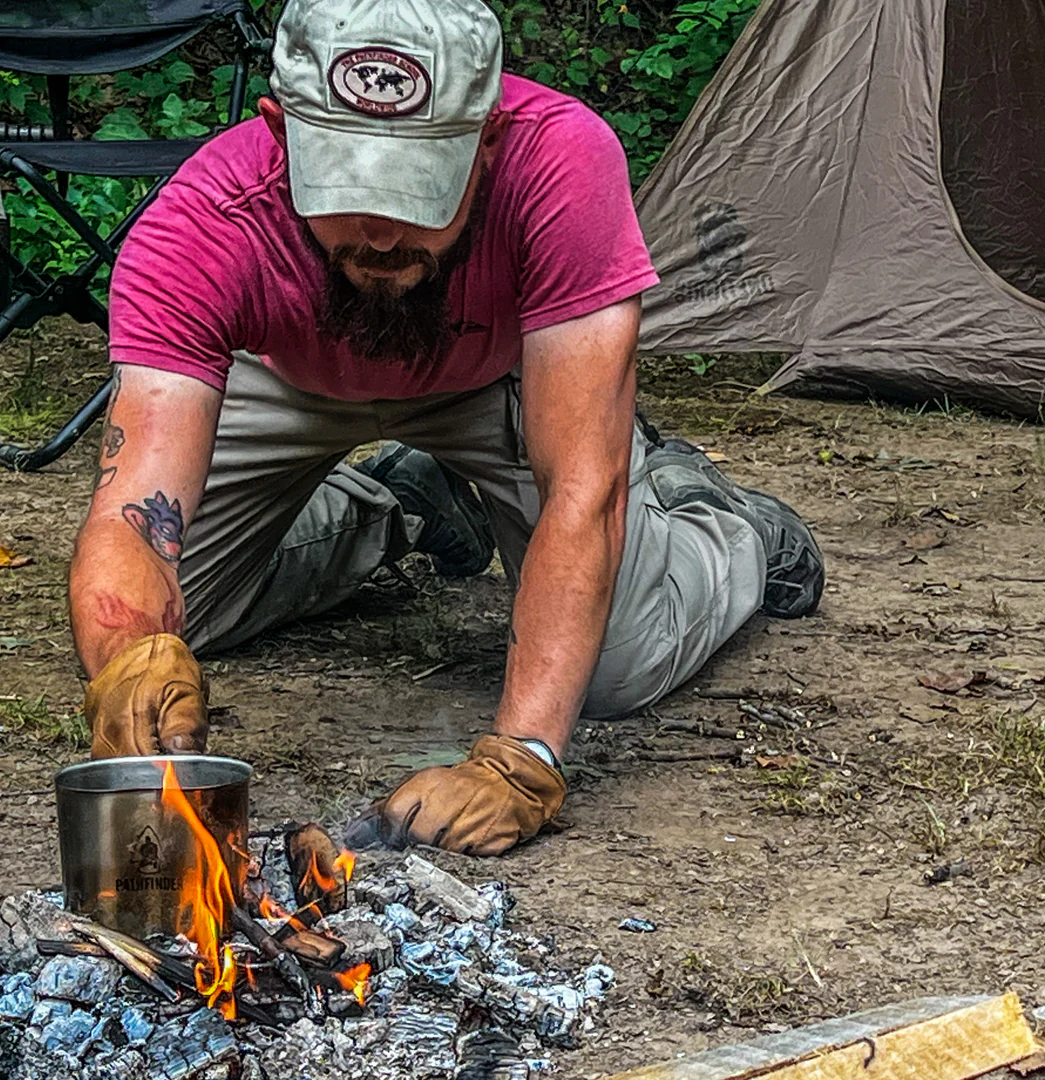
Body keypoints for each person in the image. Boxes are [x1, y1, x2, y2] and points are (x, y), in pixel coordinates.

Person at [71, 0, 825, 856]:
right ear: (280, 135)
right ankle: (401, 505)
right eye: (347, 184)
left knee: (616, 667)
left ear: (489, 139)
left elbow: (582, 484)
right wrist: (129, 658)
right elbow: (134, 506)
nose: (383, 231)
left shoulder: (562, 162)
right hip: (289, 380)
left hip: (498, 375)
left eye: (418, 187)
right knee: (164, 639)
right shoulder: (203, 222)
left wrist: (522, 757)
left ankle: (725, 531)